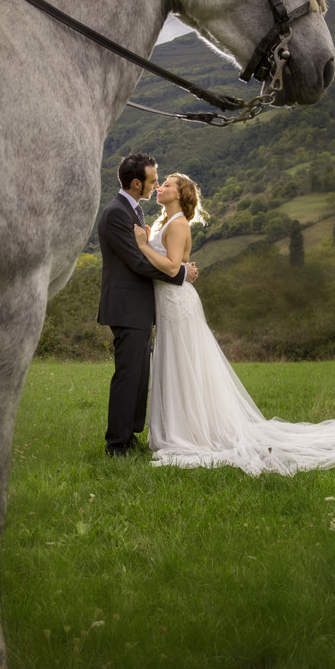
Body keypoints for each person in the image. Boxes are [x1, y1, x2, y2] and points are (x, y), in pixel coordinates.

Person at [134, 173, 335, 476]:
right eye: (161, 184)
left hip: (177, 305)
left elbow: (173, 267)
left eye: (169, 185)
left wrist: (143, 246)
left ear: (181, 194)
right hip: (171, 303)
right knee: (179, 366)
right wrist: (149, 239)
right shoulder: (166, 222)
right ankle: (185, 427)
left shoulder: (177, 225)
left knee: (184, 366)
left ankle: (191, 433)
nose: (161, 187)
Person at [97, 153, 198, 457]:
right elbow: (139, 261)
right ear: (137, 182)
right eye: (154, 180)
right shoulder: (117, 213)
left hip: (139, 307)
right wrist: (179, 273)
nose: (156, 185)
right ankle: (117, 444)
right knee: (129, 374)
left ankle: (129, 436)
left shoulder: (135, 211)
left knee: (140, 375)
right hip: (127, 306)